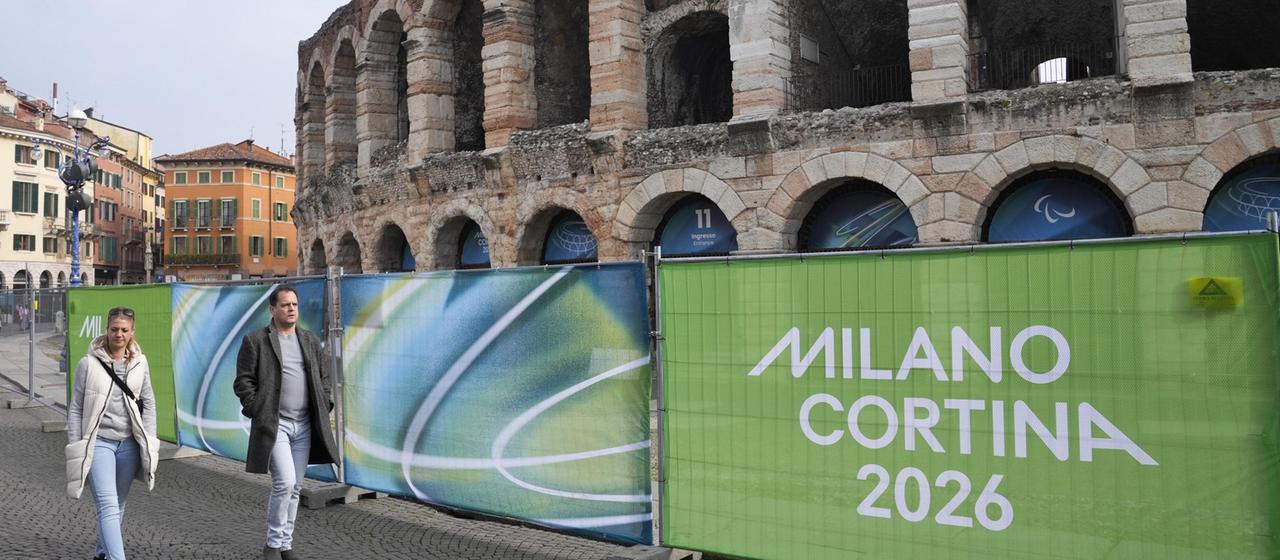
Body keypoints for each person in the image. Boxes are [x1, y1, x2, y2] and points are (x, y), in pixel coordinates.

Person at [234, 285, 338, 560]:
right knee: (285, 482)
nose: (291, 308)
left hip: (304, 425)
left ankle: (285, 544)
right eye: (285, 304)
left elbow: (323, 377)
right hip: (275, 424)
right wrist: (257, 407)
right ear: (273, 309)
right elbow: (243, 381)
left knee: (296, 487)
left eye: (294, 304)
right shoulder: (256, 340)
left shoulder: (310, 340)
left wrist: (325, 402)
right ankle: (272, 544)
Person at [65, 306, 160, 560]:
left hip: (129, 445)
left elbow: (149, 403)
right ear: (106, 330)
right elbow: (75, 408)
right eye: (114, 329)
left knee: (117, 505)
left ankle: (101, 553)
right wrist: (77, 444)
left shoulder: (140, 363)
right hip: (99, 444)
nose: (119, 334)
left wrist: (150, 440)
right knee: (107, 505)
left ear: (132, 332)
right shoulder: (88, 364)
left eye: (124, 330)